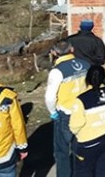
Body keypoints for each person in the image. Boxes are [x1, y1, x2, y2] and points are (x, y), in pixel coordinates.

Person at [45, 40, 90, 177]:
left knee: (62, 152)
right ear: (72, 49)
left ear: (54, 52)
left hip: (66, 115)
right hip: (84, 112)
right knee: (82, 148)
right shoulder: (85, 64)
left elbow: (50, 97)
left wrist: (53, 112)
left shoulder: (57, 71)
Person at [69, 65, 105, 177]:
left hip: (88, 141)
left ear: (87, 79)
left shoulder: (81, 100)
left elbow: (75, 125)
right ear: (104, 78)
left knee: (84, 171)